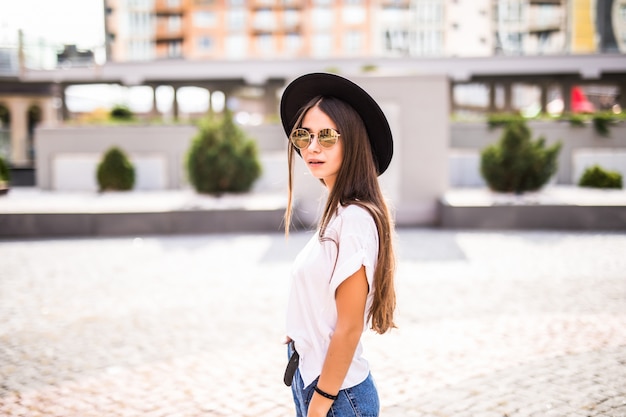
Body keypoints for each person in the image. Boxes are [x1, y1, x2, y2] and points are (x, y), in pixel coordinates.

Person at [279, 72, 397, 417]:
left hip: (336, 396)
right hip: (316, 381)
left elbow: (348, 327)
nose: (312, 147)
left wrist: (319, 406)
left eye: (327, 136)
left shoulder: (354, 220)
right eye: (304, 135)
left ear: (353, 143)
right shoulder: (339, 212)